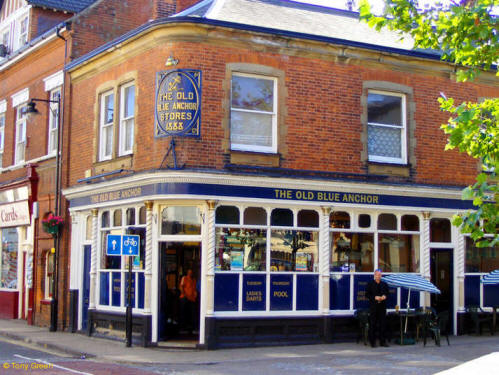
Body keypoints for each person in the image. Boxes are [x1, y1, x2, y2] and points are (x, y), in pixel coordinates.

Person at [366, 269, 390, 347]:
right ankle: (372, 342)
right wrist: (374, 297)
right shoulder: (370, 284)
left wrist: (384, 296)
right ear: (374, 275)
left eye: (379, 275)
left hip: (382, 306)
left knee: (383, 324)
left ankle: (382, 341)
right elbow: (367, 295)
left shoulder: (384, 284)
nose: (378, 276)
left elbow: (387, 293)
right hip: (373, 307)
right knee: (373, 324)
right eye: (377, 275)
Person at [179, 269, 197, 334]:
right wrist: (184, 295)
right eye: (189, 272)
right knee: (183, 313)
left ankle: (193, 328)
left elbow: (194, 288)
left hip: (192, 298)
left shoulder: (194, 280)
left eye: (191, 273)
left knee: (192, 313)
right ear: (187, 273)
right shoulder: (184, 278)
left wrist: (195, 294)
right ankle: (182, 328)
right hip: (185, 298)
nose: (190, 274)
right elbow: (181, 287)